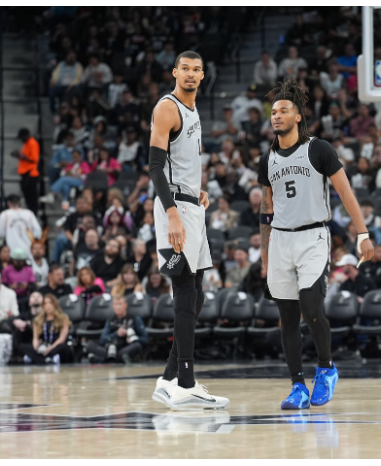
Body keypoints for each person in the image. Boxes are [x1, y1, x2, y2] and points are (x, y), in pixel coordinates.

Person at [258, 78, 374, 410]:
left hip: (313, 236)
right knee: (287, 317)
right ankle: (297, 386)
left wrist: (362, 233)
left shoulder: (318, 149)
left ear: (298, 116)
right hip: (280, 239)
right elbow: (266, 208)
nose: (277, 116)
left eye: (284, 110)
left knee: (311, 308)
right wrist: (265, 255)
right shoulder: (268, 159)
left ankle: (326, 368)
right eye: (273, 112)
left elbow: (345, 192)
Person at [148, 50, 229, 410]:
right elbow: (155, 166)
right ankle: (185, 382)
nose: (192, 74)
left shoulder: (193, 110)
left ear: (202, 75)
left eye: (197, 69)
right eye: (186, 69)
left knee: (197, 297)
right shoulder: (168, 108)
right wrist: (172, 213)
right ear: (175, 72)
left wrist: (196, 191)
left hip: (190, 205)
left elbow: (181, 163)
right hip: (175, 210)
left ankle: (169, 378)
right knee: (183, 291)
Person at [86, 295, 147, 364]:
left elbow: (145, 339)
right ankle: (113, 358)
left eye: (120, 304)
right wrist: (116, 334)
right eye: (116, 304)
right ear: (113, 306)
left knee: (137, 346)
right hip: (111, 348)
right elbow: (102, 340)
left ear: (126, 305)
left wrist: (133, 339)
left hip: (125, 348)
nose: (118, 307)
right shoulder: (111, 320)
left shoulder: (134, 318)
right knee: (89, 345)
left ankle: (104, 359)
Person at [19, 294, 72, 365]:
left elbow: (62, 339)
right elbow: (35, 338)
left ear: (55, 304)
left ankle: (37, 359)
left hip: (55, 346)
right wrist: (36, 346)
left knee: (63, 347)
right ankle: (45, 360)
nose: (48, 305)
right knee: (23, 346)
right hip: (42, 346)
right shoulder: (38, 319)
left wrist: (50, 348)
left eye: (50, 303)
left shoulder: (63, 318)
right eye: (45, 303)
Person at [0, 194, 42, 259]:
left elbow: (1, 234)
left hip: (12, 250)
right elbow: (38, 232)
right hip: (28, 250)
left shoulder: (4, 214)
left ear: (8, 203)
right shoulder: (29, 213)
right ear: (19, 202)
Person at [11, 128, 40, 215]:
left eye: (22, 137)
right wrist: (18, 156)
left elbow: (34, 159)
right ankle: (30, 213)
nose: (21, 140)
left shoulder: (33, 143)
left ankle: (33, 214)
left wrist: (21, 156)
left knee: (32, 197)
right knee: (27, 197)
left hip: (30, 174)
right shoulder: (26, 144)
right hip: (25, 174)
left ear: (26, 136)